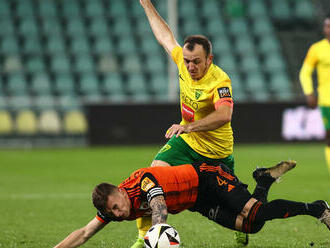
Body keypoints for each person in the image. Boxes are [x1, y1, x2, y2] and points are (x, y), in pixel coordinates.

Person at [137, 0, 242, 246]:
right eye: (187, 61)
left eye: (196, 61)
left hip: (217, 152)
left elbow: (224, 115)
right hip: (188, 143)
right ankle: (144, 238)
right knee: (151, 175)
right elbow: (165, 37)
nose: (190, 66)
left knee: (234, 207)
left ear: (209, 59)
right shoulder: (183, 64)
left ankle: (241, 225)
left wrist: (188, 126)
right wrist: (146, 5)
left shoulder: (219, 81)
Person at [53, 160, 330, 248]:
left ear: (120, 192)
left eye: (116, 206)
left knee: (255, 211)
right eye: (111, 212)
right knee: (251, 225)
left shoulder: (143, 182)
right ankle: (263, 181)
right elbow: (85, 232)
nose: (118, 213)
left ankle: (317, 208)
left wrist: (159, 231)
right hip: (197, 201)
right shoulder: (113, 209)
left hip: (207, 178)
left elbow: (158, 204)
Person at [299, 14, 330, 174]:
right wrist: (309, 92)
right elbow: (305, 72)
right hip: (327, 100)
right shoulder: (317, 49)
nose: (329, 29)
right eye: (327, 26)